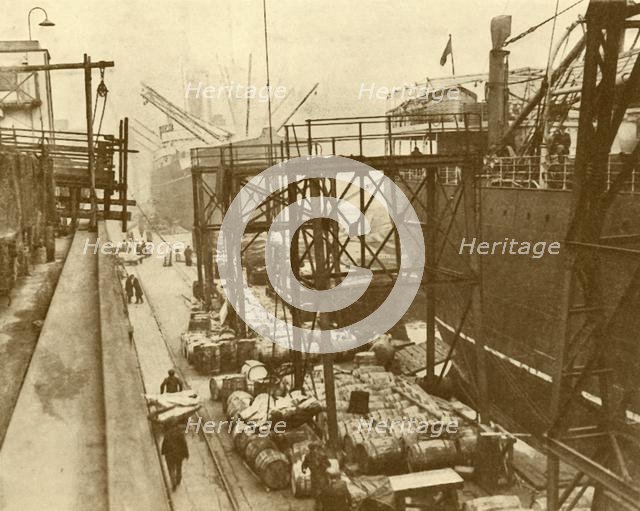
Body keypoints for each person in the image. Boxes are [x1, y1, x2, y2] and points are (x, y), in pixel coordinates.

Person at [302, 442, 331, 510]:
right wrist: (304, 469)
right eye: (311, 449)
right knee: (316, 493)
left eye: (313, 449)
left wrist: (322, 465)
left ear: (316, 448)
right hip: (314, 476)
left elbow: (328, 464)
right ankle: (318, 506)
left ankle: (324, 506)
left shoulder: (322, 455)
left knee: (323, 492)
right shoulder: (307, 456)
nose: (312, 451)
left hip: (322, 476)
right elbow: (304, 464)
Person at [161, 422, 189, 490]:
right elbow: (184, 444)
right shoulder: (180, 433)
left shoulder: (167, 434)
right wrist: (186, 454)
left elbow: (164, 445)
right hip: (179, 455)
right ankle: (178, 479)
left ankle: (173, 483)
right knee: (179, 467)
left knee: (171, 469)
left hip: (170, 456)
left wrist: (163, 452)